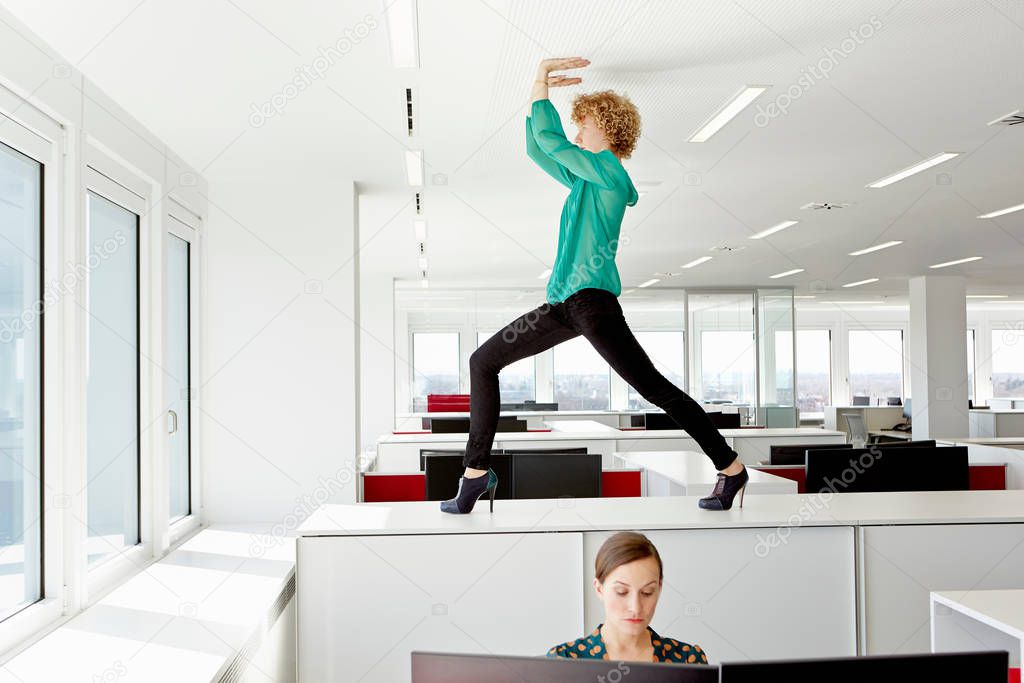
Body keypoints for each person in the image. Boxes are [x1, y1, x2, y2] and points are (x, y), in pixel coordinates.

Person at [440, 57, 747, 514]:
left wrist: (542, 80)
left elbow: (550, 140)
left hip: (592, 303)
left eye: (582, 125)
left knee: (655, 390)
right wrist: (536, 93)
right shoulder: (584, 181)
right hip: (562, 305)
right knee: (483, 361)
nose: (576, 135)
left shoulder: (609, 174)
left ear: (606, 128)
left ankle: (730, 467)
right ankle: (476, 474)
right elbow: (538, 148)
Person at [547, 531, 709, 664]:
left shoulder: (688, 660)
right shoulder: (564, 660)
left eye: (647, 592)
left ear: (659, 589)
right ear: (599, 589)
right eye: (621, 592)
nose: (636, 608)